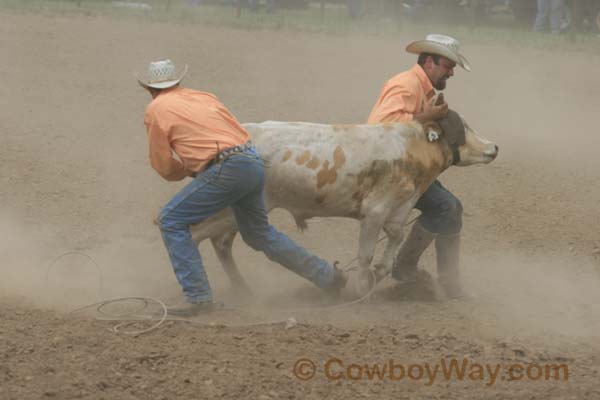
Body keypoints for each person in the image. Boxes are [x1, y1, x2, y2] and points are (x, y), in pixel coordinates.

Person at [137, 60, 346, 316]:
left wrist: (188, 170)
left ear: (149, 89)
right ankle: (327, 276)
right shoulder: (204, 97)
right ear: (178, 83)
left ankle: (198, 297)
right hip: (252, 161)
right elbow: (234, 131)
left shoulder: (156, 109)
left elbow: (164, 166)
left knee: (171, 219)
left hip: (226, 167)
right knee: (259, 234)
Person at [367, 34, 470, 299]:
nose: (451, 73)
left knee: (451, 207)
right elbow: (382, 125)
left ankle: (442, 279)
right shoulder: (406, 84)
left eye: (452, 68)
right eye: (448, 67)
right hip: (392, 169)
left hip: (404, 167)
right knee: (447, 206)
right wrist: (429, 116)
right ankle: (409, 268)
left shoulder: (421, 88)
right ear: (429, 62)